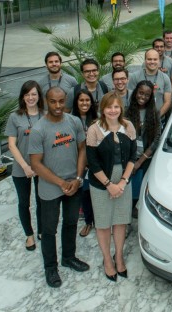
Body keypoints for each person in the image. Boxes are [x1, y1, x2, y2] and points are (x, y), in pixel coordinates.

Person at [29, 87, 89, 288]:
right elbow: (36, 164)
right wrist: (61, 183)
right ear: (46, 102)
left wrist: (78, 178)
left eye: (61, 101)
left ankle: (68, 257)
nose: (57, 106)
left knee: (71, 222)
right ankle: (50, 267)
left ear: (66, 101)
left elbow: (82, 149)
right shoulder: (39, 129)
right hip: (51, 188)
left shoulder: (74, 122)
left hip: (74, 184)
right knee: (48, 229)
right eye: (53, 102)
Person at [86, 91, 136, 281]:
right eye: (109, 107)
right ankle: (108, 260)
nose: (113, 110)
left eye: (116, 107)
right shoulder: (95, 130)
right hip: (101, 183)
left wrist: (122, 182)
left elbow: (132, 156)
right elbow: (93, 162)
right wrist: (109, 185)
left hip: (123, 180)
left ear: (120, 108)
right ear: (102, 109)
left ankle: (120, 257)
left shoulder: (128, 126)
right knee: (104, 223)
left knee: (120, 221)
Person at [5, 80, 45, 251]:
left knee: (42, 200)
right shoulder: (15, 117)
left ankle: (42, 230)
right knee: (24, 203)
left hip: (42, 168)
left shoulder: (45, 114)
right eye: (27, 94)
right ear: (23, 96)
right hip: (22, 168)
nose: (31, 98)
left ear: (39, 96)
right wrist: (25, 166)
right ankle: (29, 235)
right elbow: (12, 145)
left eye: (34, 94)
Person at [125, 80, 162, 218]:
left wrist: (140, 161)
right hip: (129, 156)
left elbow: (156, 139)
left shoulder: (154, 113)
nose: (143, 97)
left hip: (146, 158)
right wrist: (131, 161)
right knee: (128, 188)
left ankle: (137, 210)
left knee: (141, 187)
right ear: (135, 92)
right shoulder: (127, 111)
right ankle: (126, 216)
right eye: (141, 93)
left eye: (147, 95)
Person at [71, 90, 97, 238]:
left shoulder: (96, 119)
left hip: (94, 162)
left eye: (87, 100)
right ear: (76, 102)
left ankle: (99, 221)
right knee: (84, 193)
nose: (84, 103)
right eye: (81, 100)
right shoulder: (70, 119)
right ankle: (88, 222)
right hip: (77, 162)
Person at [129, 49, 172, 119]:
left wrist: (157, 117)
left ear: (159, 61)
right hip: (138, 119)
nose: (152, 62)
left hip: (158, 120)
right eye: (149, 59)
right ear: (145, 60)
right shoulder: (135, 77)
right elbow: (130, 99)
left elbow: (167, 101)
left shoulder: (165, 78)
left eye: (155, 59)